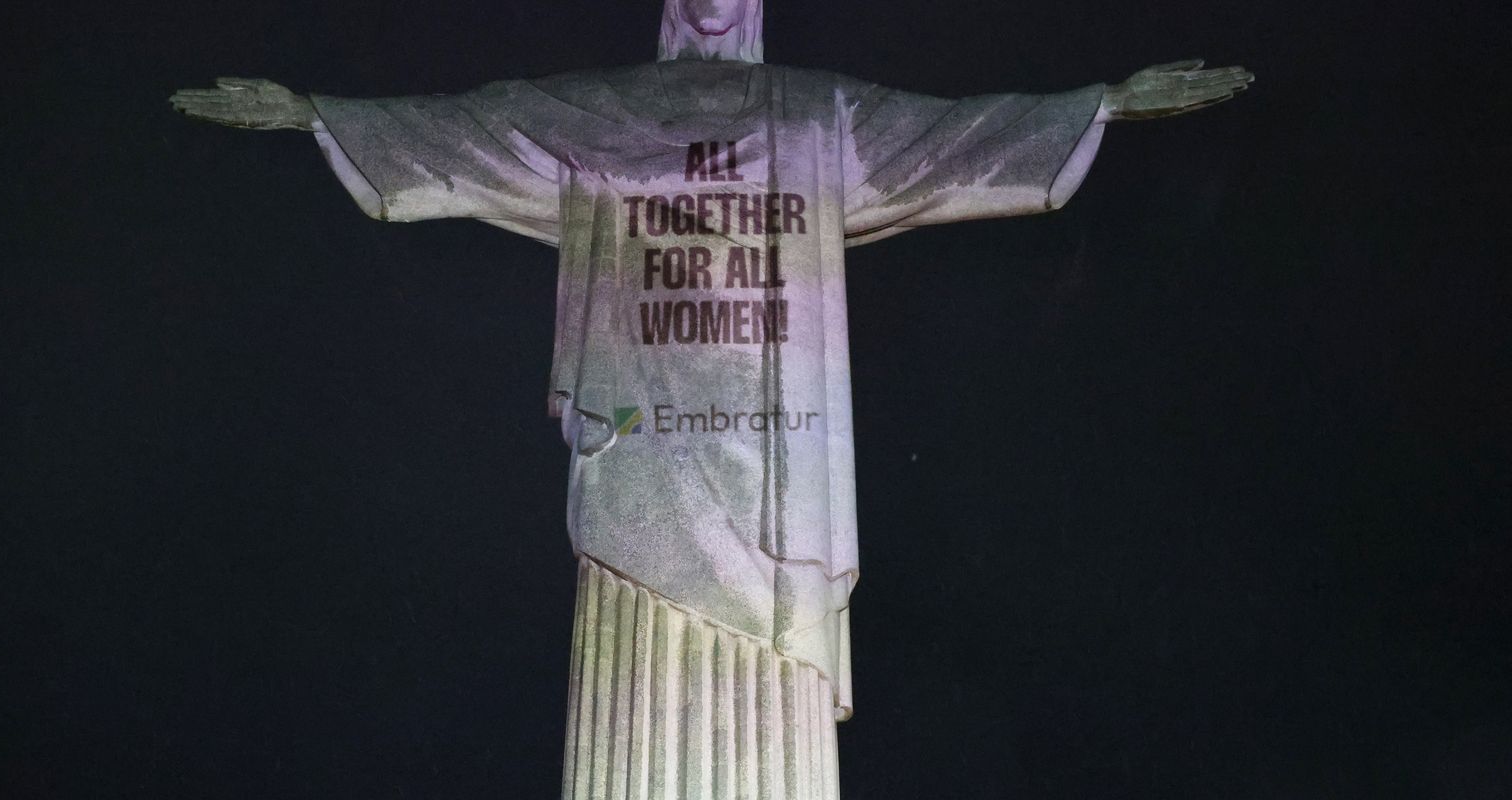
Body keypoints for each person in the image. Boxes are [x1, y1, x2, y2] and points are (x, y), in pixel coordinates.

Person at [172, 2, 1251, 797]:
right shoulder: (599, 113)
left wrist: (1093, 106)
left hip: (778, 466)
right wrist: (323, 116)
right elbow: (466, 134)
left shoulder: (815, 113)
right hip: (640, 453)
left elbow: (950, 141)